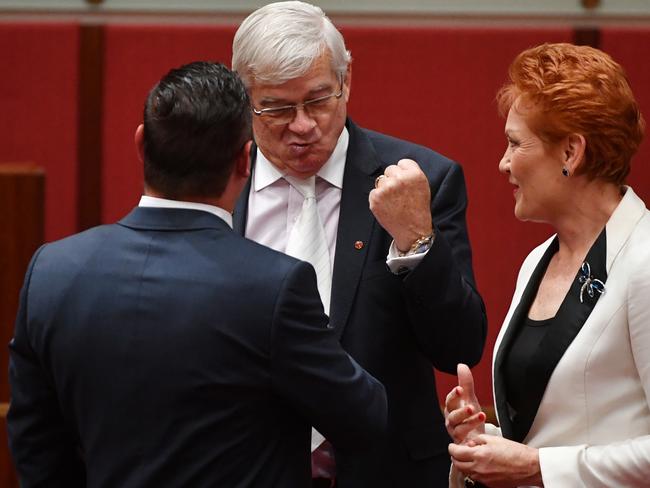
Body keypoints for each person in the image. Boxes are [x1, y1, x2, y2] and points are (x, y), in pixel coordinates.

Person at [7, 61, 388, 488]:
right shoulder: (274, 287)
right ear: (245, 160)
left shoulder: (51, 272)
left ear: (141, 145)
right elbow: (364, 417)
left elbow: (34, 441)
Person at [231, 2, 487, 486]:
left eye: (319, 100)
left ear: (347, 81)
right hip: (247, 467)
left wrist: (415, 240)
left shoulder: (423, 179)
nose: (303, 125)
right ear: (244, 100)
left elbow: (460, 345)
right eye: (279, 107)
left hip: (387, 470)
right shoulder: (220, 185)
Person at [444, 42, 650, 487]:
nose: (502, 163)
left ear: (570, 153)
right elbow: (552, 430)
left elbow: (545, 460)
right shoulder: (538, 260)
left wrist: (537, 468)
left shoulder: (645, 261)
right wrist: (486, 441)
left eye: (515, 143)